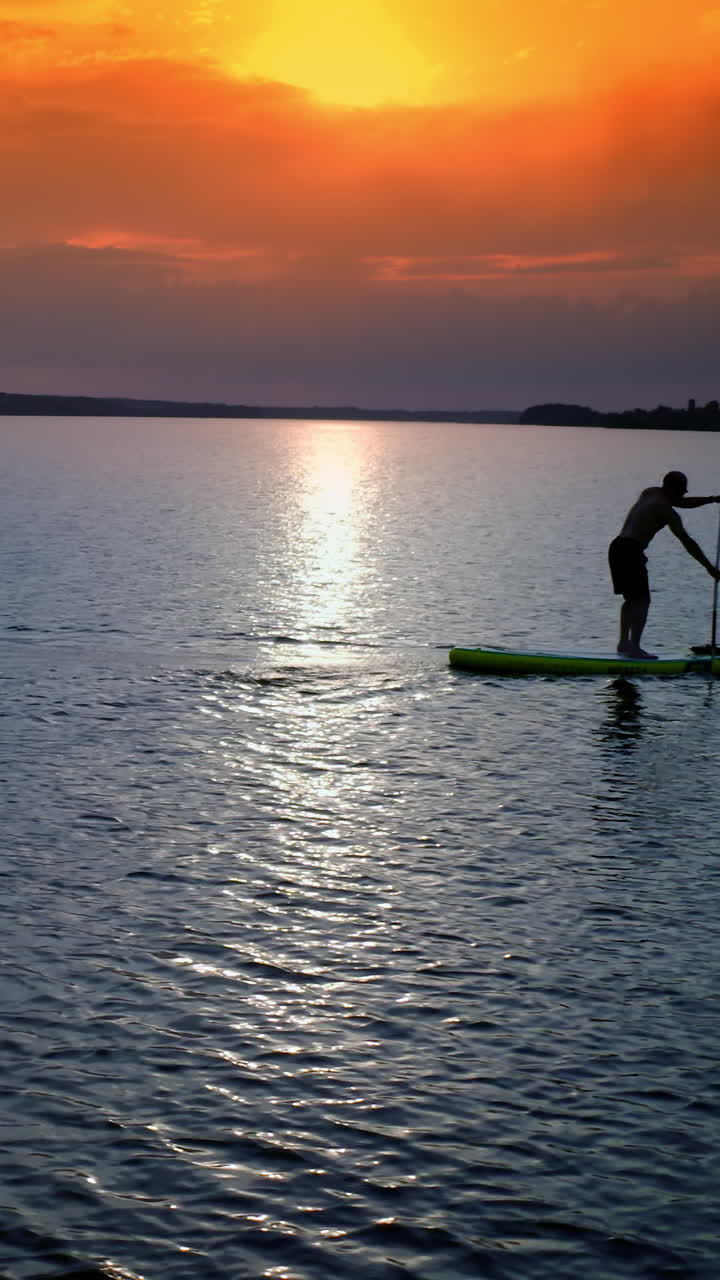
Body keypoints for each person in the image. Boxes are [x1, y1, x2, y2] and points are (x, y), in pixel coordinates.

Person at [608, 471, 720, 659]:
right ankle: (634, 646)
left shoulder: (650, 492)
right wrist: (709, 568)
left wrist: (712, 499)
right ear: (672, 489)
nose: (684, 494)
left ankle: (623, 644)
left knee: (631, 600)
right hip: (631, 552)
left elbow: (682, 503)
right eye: (681, 491)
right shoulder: (665, 510)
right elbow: (687, 542)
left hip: (617, 547)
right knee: (642, 600)